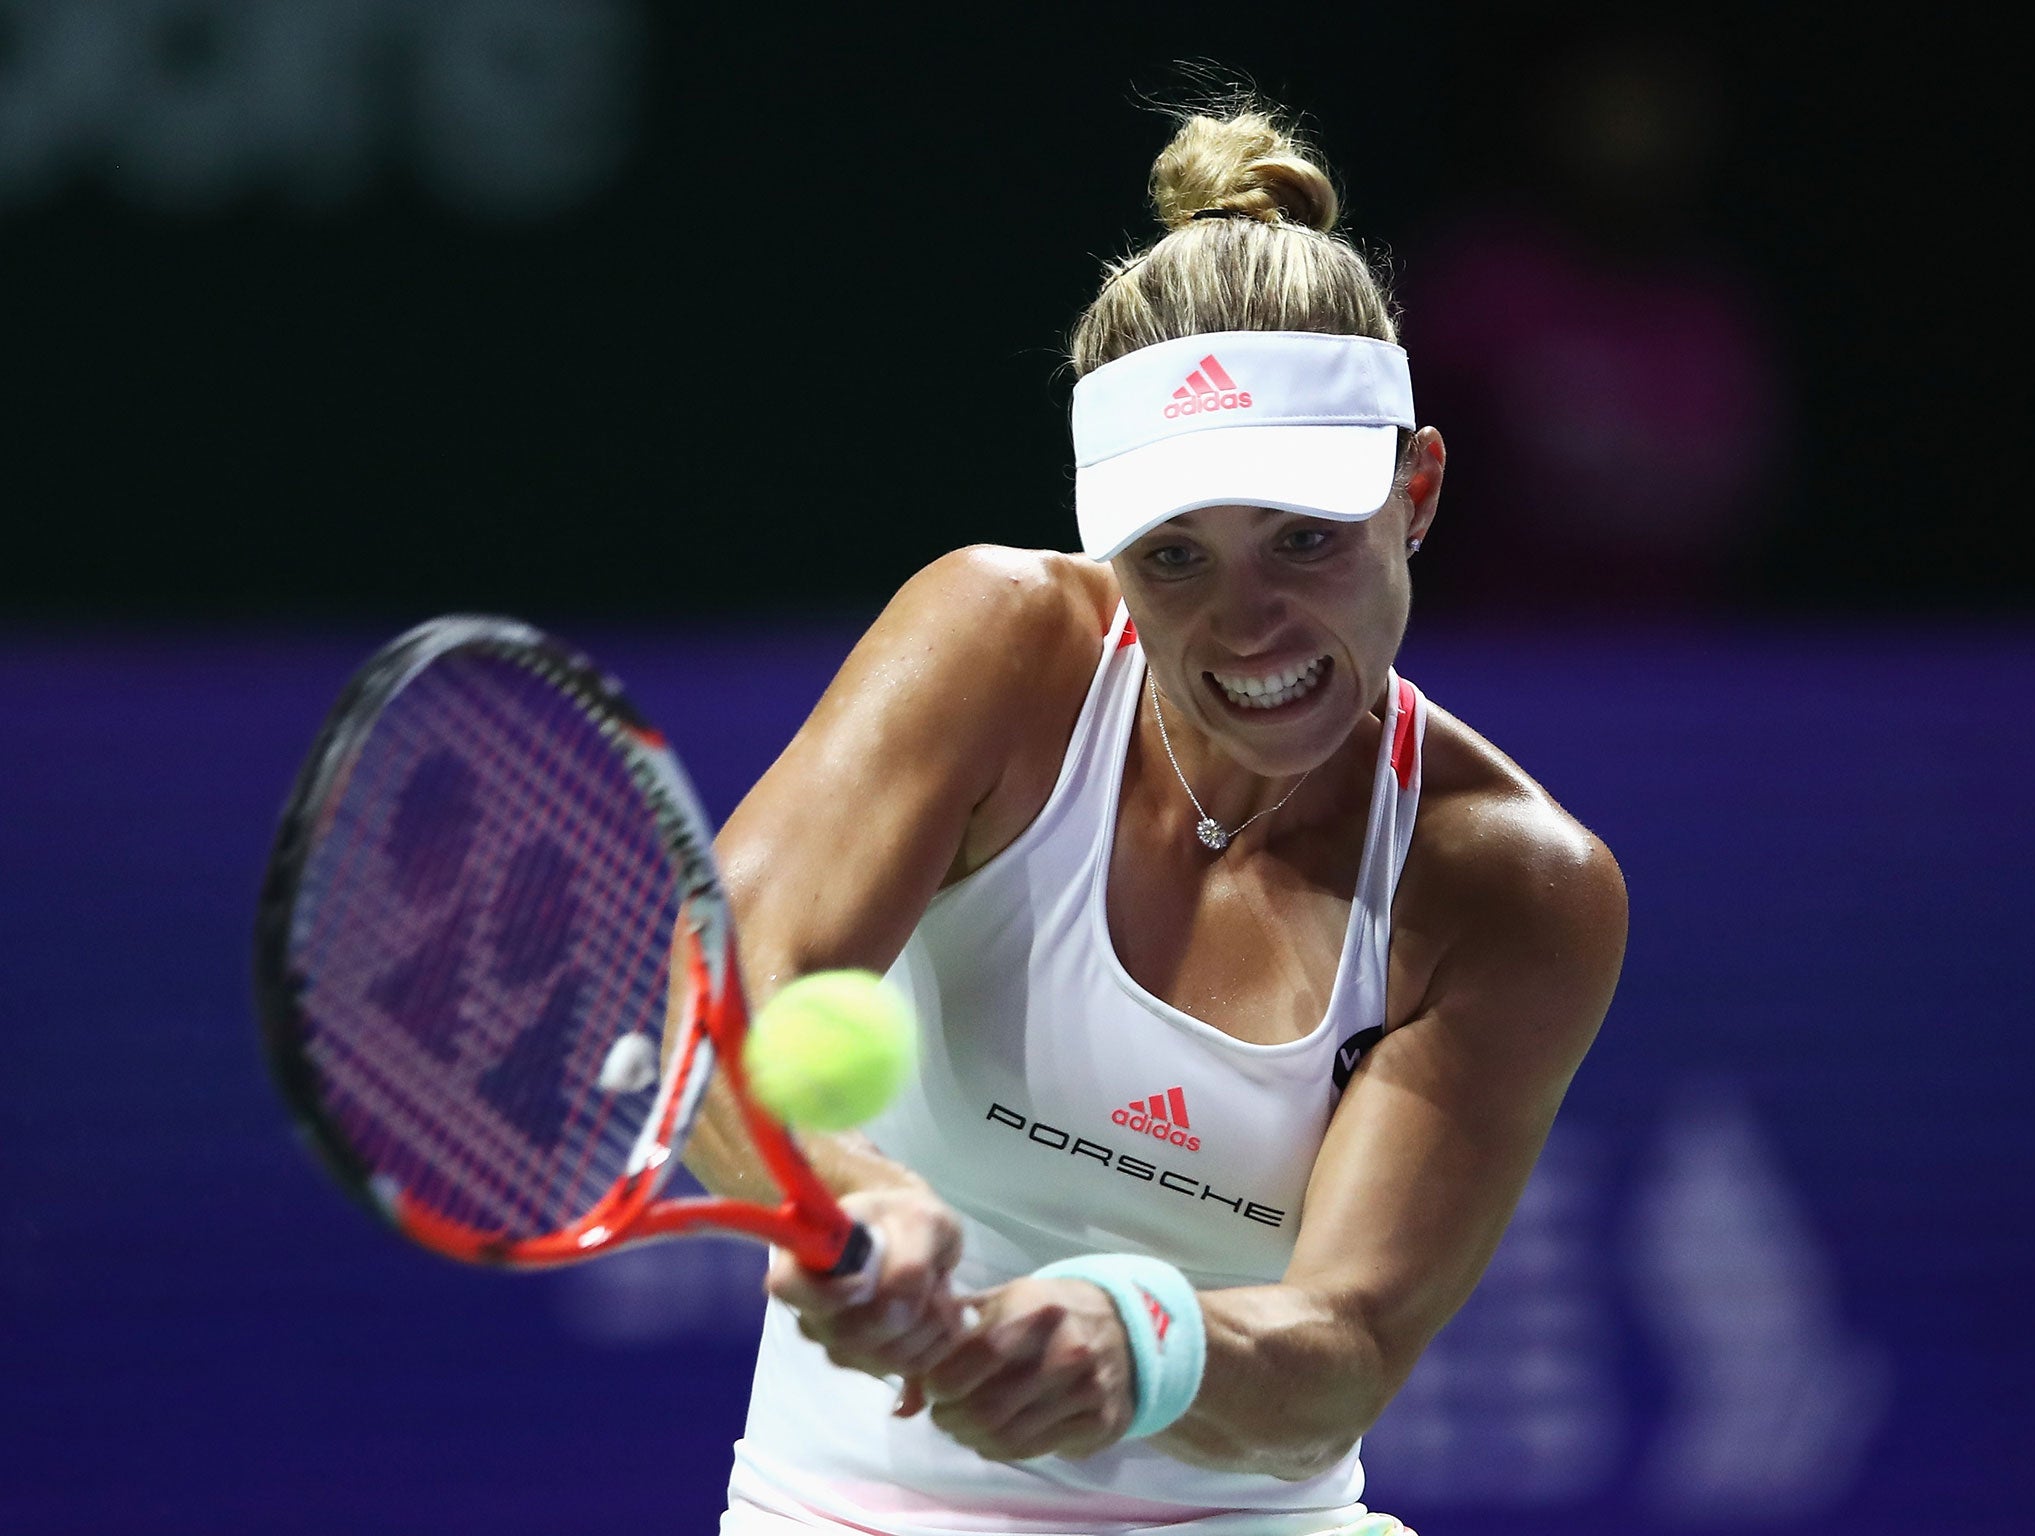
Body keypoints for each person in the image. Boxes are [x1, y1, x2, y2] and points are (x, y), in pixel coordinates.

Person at [685, 102, 1628, 1535]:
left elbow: (1348, 1357)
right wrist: (848, 1190)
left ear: (1417, 488)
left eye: (1304, 539)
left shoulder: (1516, 889)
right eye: (1174, 555)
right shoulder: (992, 644)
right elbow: (721, 1002)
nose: (1246, 625)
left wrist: (1147, 1345)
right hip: (844, 1509)